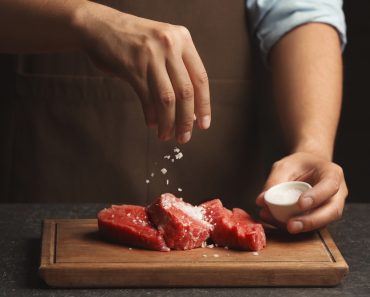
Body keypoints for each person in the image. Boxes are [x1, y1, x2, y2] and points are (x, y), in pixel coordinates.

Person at [0, 0, 348, 234]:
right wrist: (82, 19)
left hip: (223, 163)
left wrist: (313, 145)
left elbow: (302, 10)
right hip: (49, 170)